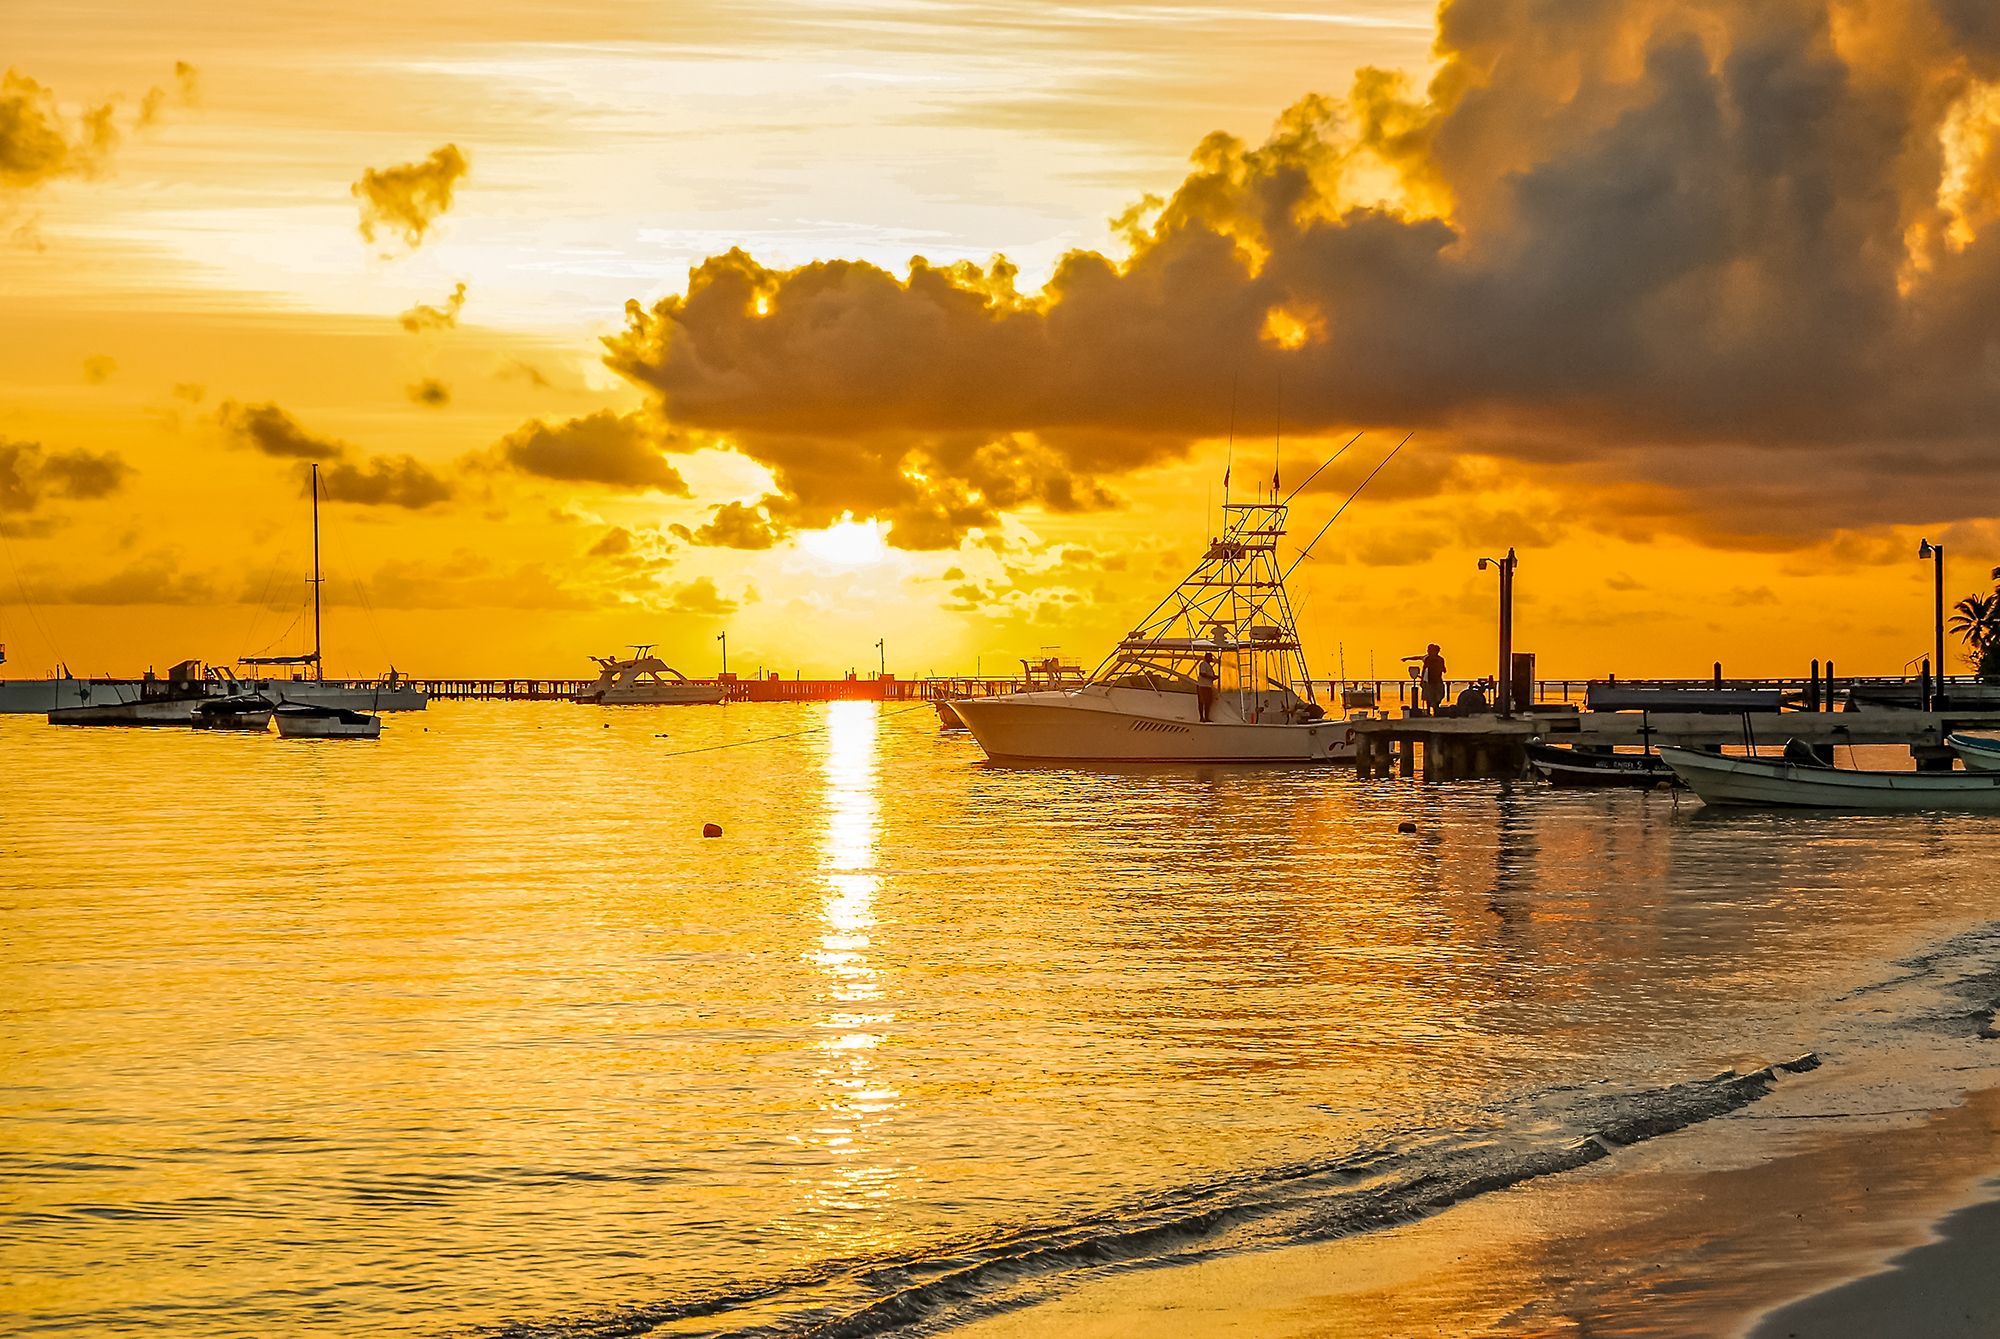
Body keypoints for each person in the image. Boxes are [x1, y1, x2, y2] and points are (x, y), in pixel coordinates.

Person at [1404, 643, 1446, 715]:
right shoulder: (1426, 658)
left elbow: (1443, 669)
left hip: (1437, 680)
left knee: (1439, 695)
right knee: (1428, 697)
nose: (1428, 652)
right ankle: (1430, 711)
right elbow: (1417, 657)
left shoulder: (1440, 659)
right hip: (1428, 681)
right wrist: (1407, 658)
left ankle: (1436, 709)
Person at [1196, 653, 1219, 723]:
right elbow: (1202, 674)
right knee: (1202, 702)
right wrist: (1212, 677)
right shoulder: (1203, 664)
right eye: (1210, 657)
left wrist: (1215, 677)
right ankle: (1202, 717)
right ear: (1206, 657)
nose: (1211, 658)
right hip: (1203, 686)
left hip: (1208, 686)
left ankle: (1206, 717)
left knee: (1208, 702)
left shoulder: (1209, 666)